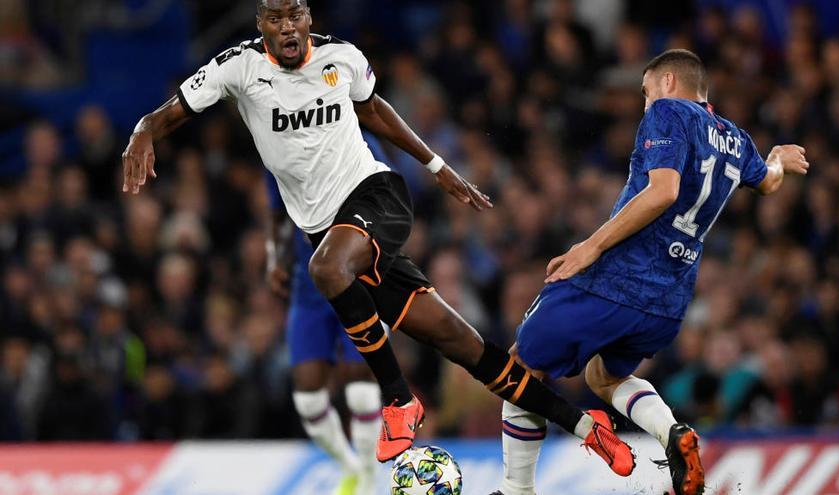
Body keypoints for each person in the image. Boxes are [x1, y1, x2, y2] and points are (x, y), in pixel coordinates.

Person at [121, 0, 634, 470]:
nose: (287, 27)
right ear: (261, 26)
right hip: (334, 233)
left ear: (307, 17)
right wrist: (142, 130)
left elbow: (373, 110)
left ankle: (398, 399)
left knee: (324, 268)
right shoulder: (237, 68)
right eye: (275, 18)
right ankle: (590, 428)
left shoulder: (341, 56)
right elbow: (167, 115)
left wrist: (436, 165)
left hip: (375, 197)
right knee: (468, 348)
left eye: (295, 14)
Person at [491, 49, 809, 495]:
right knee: (604, 378)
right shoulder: (737, 140)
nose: (644, 104)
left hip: (614, 280)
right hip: (668, 302)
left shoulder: (666, 111)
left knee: (518, 367)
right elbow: (769, 181)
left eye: (644, 91)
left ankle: (516, 490)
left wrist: (590, 246)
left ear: (666, 83)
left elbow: (664, 191)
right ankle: (673, 435)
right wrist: (777, 157)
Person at [262, 130, 391, 495]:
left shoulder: (359, 138)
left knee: (360, 388)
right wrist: (275, 258)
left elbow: (389, 200)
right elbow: (275, 213)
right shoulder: (275, 143)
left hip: (360, 281)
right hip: (309, 291)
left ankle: (367, 473)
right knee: (307, 398)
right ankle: (350, 466)